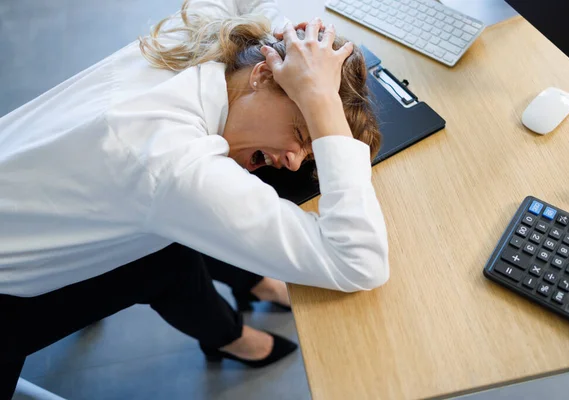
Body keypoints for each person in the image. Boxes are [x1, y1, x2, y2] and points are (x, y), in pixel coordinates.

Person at [0, 0, 389, 396]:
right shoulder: (173, 162)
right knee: (165, 261)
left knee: (169, 255)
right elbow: (357, 262)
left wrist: (293, 38)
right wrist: (320, 102)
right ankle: (237, 320)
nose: (292, 163)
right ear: (262, 74)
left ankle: (247, 291)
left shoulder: (195, 34)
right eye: (303, 133)